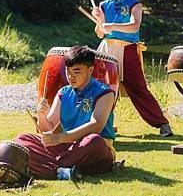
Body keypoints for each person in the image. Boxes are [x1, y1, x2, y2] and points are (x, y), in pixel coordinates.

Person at [91, 0, 173, 138]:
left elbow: (134, 25)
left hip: (128, 50)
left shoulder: (135, 4)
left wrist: (111, 25)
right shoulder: (104, 5)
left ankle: (162, 124)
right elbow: (100, 34)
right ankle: (102, 125)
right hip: (106, 49)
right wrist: (99, 20)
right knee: (101, 88)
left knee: (139, 89)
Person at [15, 46, 118, 180]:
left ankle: (47, 167)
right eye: (68, 71)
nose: (70, 76)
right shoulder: (63, 93)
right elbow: (49, 127)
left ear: (90, 70)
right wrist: (42, 116)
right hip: (67, 147)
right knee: (22, 139)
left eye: (76, 71)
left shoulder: (105, 93)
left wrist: (59, 138)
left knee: (95, 140)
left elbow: (96, 125)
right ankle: (62, 171)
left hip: (91, 149)